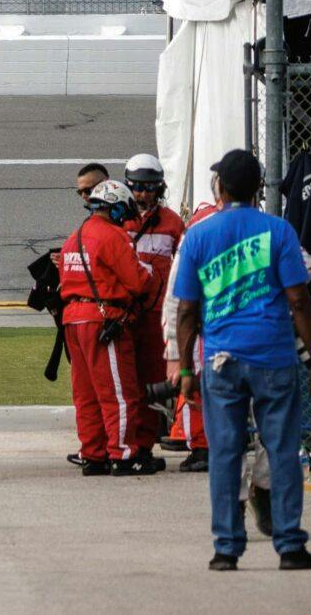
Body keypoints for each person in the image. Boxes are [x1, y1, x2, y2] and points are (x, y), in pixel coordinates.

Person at [173, 149, 311, 571]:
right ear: (260, 188)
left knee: (225, 453)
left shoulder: (199, 237)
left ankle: (226, 548)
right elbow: (299, 300)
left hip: (223, 361)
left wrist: (186, 368)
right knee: (281, 451)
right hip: (274, 358)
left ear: (219, 187)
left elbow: (186, 309)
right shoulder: (278, 232)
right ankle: (290, 545)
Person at [59, 176, 160, 474]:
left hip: (73, 320)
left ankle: (93, 453)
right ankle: (123, 454)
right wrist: (151, 274)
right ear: (116, 208)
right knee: (119, 392)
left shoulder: (73, 237)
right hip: (104, 320)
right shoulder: (113, 237)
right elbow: (138, 281)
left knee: (86, 394)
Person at [123, 153, 186, 443]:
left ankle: (149, 433)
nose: (142, 193)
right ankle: (127, 432)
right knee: (124, 377)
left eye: (149, 187)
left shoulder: (172, 223)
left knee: (153, 377)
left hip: (156, 313)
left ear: (159, 188)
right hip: (125, 311)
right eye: (136, 186)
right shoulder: (119, 219)